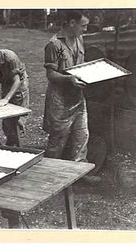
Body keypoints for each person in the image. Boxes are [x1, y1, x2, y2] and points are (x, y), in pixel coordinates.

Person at [42, 10, 100, 182]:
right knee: (57, 141)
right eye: (83, 26)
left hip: (77, 98)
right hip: (60, 101)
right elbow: (51, 75)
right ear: (72, 23)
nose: (85, 29)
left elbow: (78, 66)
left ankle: (79, 174)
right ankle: (48, 177)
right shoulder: (55, 45)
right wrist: (69, 79)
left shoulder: (79, 39)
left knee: (82, 136)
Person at [0, 39, 29, 146]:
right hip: (6, 84)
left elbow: (16, 81)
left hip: (19, 86)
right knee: (7, 120)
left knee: (17, 119)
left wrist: (6, 99)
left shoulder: (10, 57)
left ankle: (18, 145)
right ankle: (11, 143)